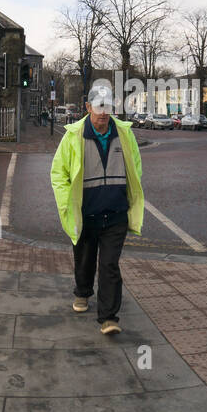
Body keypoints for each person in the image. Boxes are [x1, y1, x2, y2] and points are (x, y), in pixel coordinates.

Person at [51, 92, 147, 336]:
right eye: (98, 107)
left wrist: (127, 196)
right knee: (85, 260)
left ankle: (108, 318)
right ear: (88, 107)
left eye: (108, 107)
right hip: (86, 214)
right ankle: (82, 292)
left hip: (115, 214)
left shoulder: (124, 134)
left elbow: (135, 167)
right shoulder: (74, 135)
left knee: (109, 265)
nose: (103, 112)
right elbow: (58, 172)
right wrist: (66, 204)